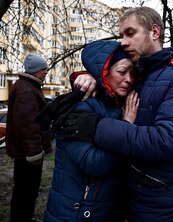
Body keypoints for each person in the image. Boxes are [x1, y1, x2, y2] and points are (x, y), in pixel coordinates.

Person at [62, 6, 173, 221]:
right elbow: (110, 79)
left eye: (130, 33)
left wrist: (98, 127)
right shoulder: (139, 75)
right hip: (125, 200)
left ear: (154, 32)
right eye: (121, 35)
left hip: (159, 207)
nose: (123, 42)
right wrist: (89, 77)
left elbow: (167, 140)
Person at [44, 40, 139, 221]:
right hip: (75, 214)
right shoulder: (80, 107)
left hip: (104, 211)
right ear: (104, 72)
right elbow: (94, 163)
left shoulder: (122, 105)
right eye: (121, 71)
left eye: (132, 74)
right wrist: (126, 126)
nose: (129, 79)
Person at [5, 53, 53, 222]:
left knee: (26, 190)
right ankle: (20, 218)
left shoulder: (29, 86)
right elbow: (27, 125)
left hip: (26, 152)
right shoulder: (26, 89)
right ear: (34, 70)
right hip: (28, 154)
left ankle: (24, 217)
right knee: (26, 190)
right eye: (43, 69)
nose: (46, 71)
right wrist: (34, 153)